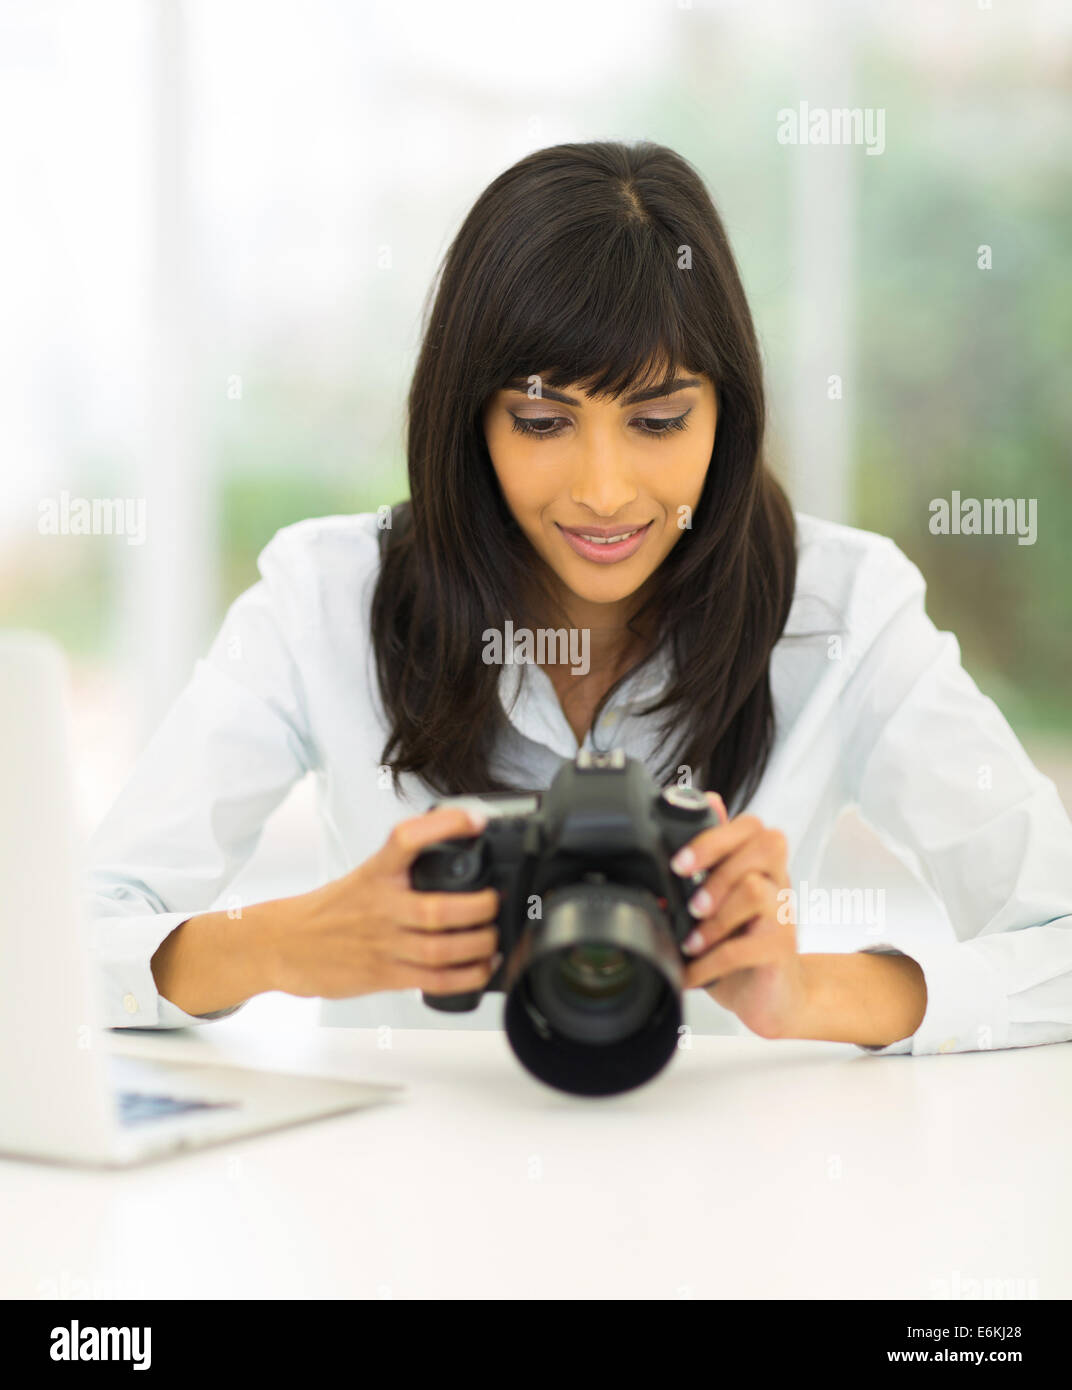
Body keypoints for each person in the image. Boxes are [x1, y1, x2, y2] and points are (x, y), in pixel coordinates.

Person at [88, 140, 1072, 1056]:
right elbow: (66, 941)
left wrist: (809, 995)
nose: (603, 491)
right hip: (396, 1203)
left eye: (658, 418)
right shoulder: (325, 597)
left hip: (725, 1195)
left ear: (727, 412)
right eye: (541, 418)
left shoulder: (843, 609)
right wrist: (287, 943)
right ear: (468, 417)